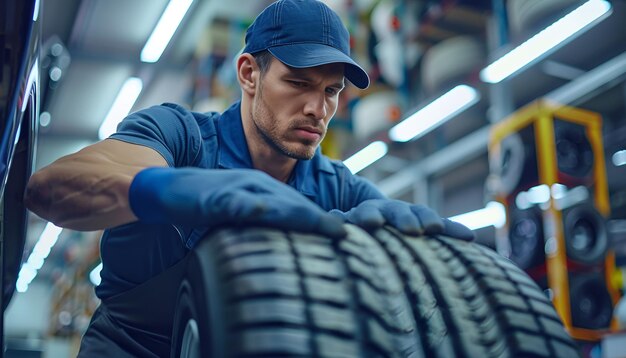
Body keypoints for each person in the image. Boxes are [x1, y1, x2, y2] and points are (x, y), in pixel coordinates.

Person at [24, 0, 474, 356]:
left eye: (331, 91)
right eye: (298, 83)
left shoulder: (336, 187)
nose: (318, 110)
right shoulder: (180, 138)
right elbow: (49, 187)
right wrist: (168, 188)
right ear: (249, 74)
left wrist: (418, 259)